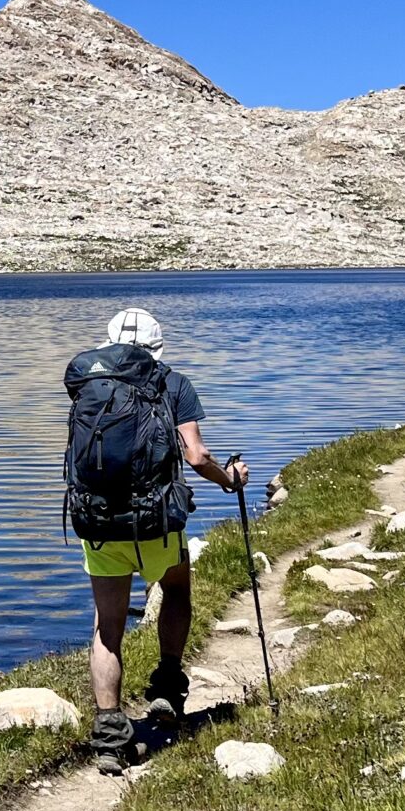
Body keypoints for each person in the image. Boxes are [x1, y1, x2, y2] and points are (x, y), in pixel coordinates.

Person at [61, 307, 247, 773]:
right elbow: (197, 453)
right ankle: (166, 688)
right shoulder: (173, 383)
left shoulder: (87, 383)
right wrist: (229, 480)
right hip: (155, 519)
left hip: (98, 520)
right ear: (159, 346)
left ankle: (109, 737)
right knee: (177, 588)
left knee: (108, 625)